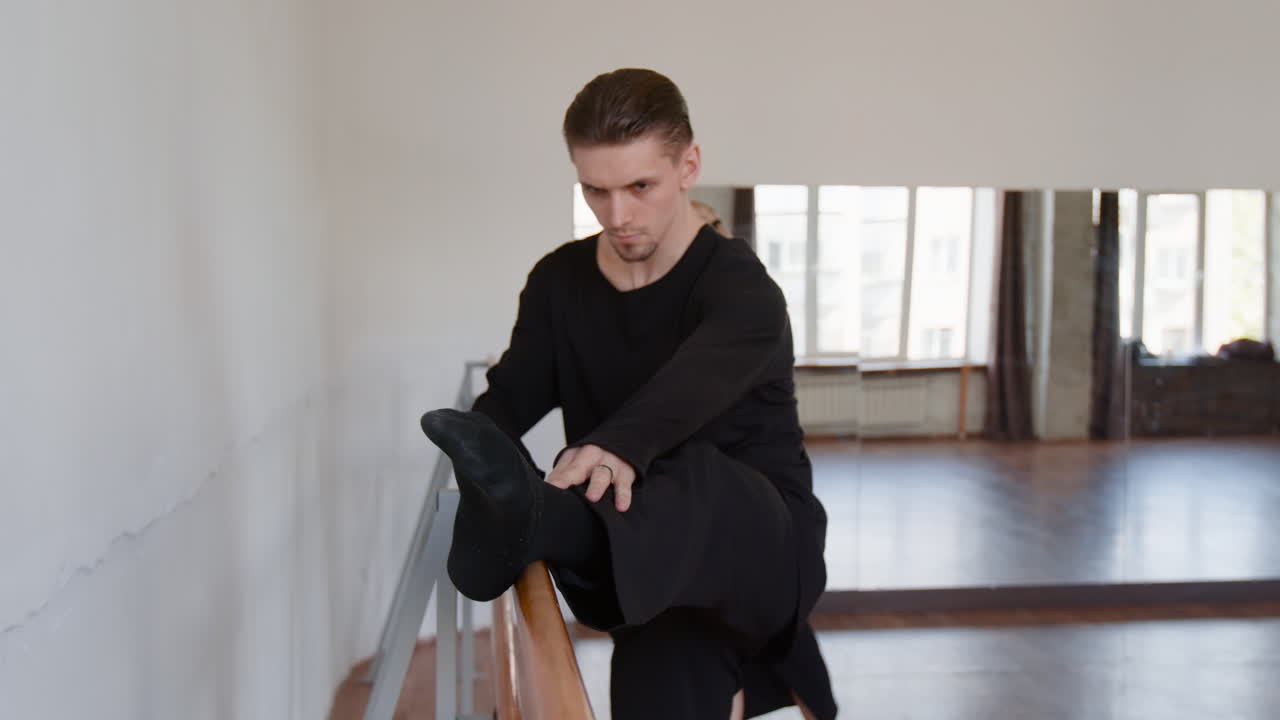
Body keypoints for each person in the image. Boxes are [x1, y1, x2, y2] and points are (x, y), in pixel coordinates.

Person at [421, 68, 835, 720]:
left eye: (641, 187)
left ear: (688, 165)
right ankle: (539, 519)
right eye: (596, 190)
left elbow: (689, 386)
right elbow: (510, 397)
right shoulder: (559, 282)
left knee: (696, 473)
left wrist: (614, 446)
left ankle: (543, 521)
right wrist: (482, 453)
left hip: (761, 546)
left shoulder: (742, 289)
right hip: (637, 568)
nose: (618, 216)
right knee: (659, 673)